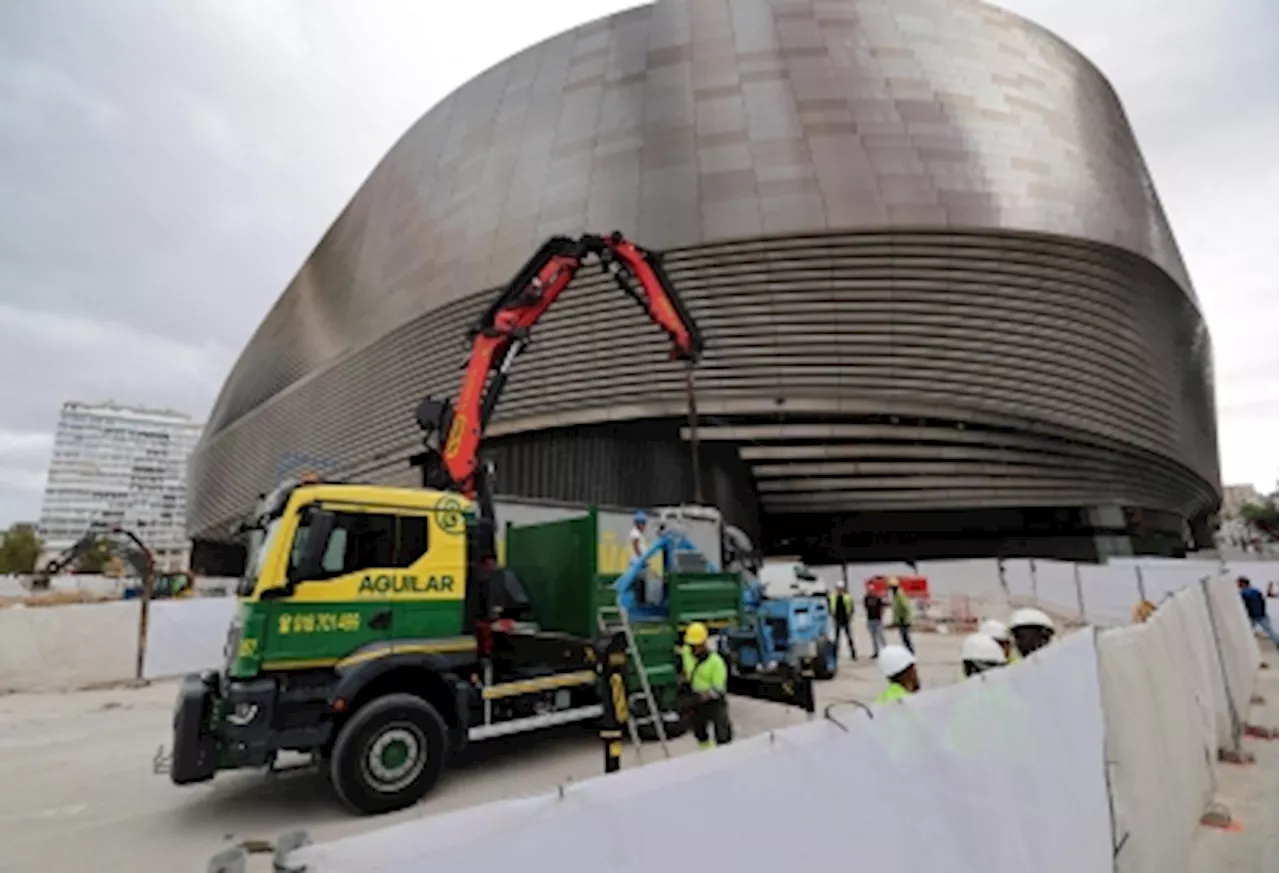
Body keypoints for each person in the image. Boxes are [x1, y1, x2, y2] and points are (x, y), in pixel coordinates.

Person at [680, 622, 733, 749]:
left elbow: (719, 689)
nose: (693, 649)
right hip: (696, 697)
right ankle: (705, 752)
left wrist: (702, 696)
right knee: (699, 730)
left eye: (696, 645)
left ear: (704, 643)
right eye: (691, 645)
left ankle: (724, 754)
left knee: (722, 731)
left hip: (713, 700)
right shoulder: (687, 653)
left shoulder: (716, 663)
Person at [1238, 576, 1280, 650]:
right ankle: (1278, 643)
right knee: (1270, 630)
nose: (1238, 585)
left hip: (1253, 615)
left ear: (1243, 583)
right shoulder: (1256, 591)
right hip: (1261, 614)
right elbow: (1263, 602)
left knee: (1247, 631)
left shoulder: (1243, 593)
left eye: (1239, 583)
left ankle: (1244, 646)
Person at [829, 582, 857, 660]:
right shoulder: (833, 597)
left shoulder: (847, 597)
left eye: (840, 588)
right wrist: (832, 615)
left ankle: (853, 653)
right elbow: (830, 607)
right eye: (838, 588)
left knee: (849, 638)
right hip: (837, 619)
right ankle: (835, 654)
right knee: (837, 639)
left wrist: (850, 616)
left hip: (845, 619)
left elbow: (851, 608)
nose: (839, 590)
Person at [888, 576, 914, 654]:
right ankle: (909, 653)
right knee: (904, 638)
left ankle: (910, 653)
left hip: (903, 620)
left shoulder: (899, 594)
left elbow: (905, 607)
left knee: (906, 638)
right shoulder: (896, 595)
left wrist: (904, 618)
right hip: (901, 620)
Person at [864, 583, 886, 656]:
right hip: (870, 619)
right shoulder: (866, 598)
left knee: (881, 636)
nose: (870, 592)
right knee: (873, 637)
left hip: (877, 619)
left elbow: (882, 607)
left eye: (872, 590)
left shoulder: (877, 598)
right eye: (869, 590)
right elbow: (866, 607)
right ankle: (876, 652)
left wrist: (881, 616)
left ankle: (885, 650)